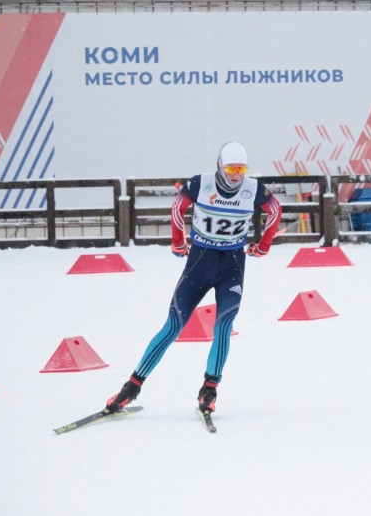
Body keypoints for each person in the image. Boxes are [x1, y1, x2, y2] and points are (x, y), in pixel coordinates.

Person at [104, 141, 282, 417]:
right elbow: (177, 208)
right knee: (173, 325)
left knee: (223, 325)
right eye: (231, 168)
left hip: (232, 266)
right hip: (200, 262)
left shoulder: (253, 189)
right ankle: (131, 387)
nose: (236, 175)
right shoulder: (202, 184)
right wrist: (178, 242)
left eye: (242, 169)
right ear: (220, 166)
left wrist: (264, 245)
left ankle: (209, 390)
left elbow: (276, 211)